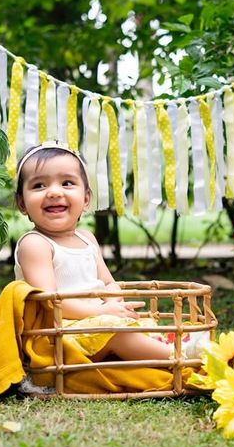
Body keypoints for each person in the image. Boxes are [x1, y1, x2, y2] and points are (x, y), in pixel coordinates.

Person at [14, 141, 208, 362]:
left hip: (94, 323)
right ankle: (178, 357)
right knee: (115, 332)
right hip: (58, 334)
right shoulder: (35, 244)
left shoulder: (86, 238)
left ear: (86, 199)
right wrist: (101, 314)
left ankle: (168, 346)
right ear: (22, 203)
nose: (54, 192)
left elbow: (107, 282)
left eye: (67, 183)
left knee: (137, 325)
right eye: (39, 185)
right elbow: (48, 302)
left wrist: (114, 304)